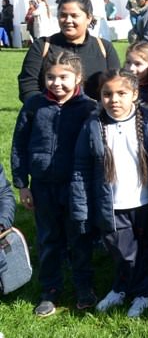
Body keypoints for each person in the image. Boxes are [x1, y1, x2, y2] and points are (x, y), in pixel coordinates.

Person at [70, 69, 148, 318]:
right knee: (123, 252)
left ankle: (136, 290)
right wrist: (80, 206)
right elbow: (80, 168)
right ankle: (132, 289)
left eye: (122, 93)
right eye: (107, 94)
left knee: (143, 251)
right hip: (111, 205)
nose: (114, 100)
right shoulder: (92, 125)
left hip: (144, 203)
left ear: (134, 94)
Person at [11, 52, 98, 317]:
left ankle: (84, 286)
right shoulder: (34, 105)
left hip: (76, 187)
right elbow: (19, 144)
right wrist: (22, 183)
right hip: (42, 185)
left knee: (80, 237)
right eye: (50, 77)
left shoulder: (89, 108)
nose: (56, 83)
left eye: (63, 77)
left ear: (78, 78)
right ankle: (50, 289)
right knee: (48, 238)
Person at [18, 0, 120, 103]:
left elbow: (116, 84)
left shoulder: (104, 47)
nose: (68, 20)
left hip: (95, 116)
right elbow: (28, 86)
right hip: (51, 116)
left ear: (89, 18)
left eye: (74, 15)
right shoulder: (42, 46)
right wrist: (48, 110)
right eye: (63, 15)